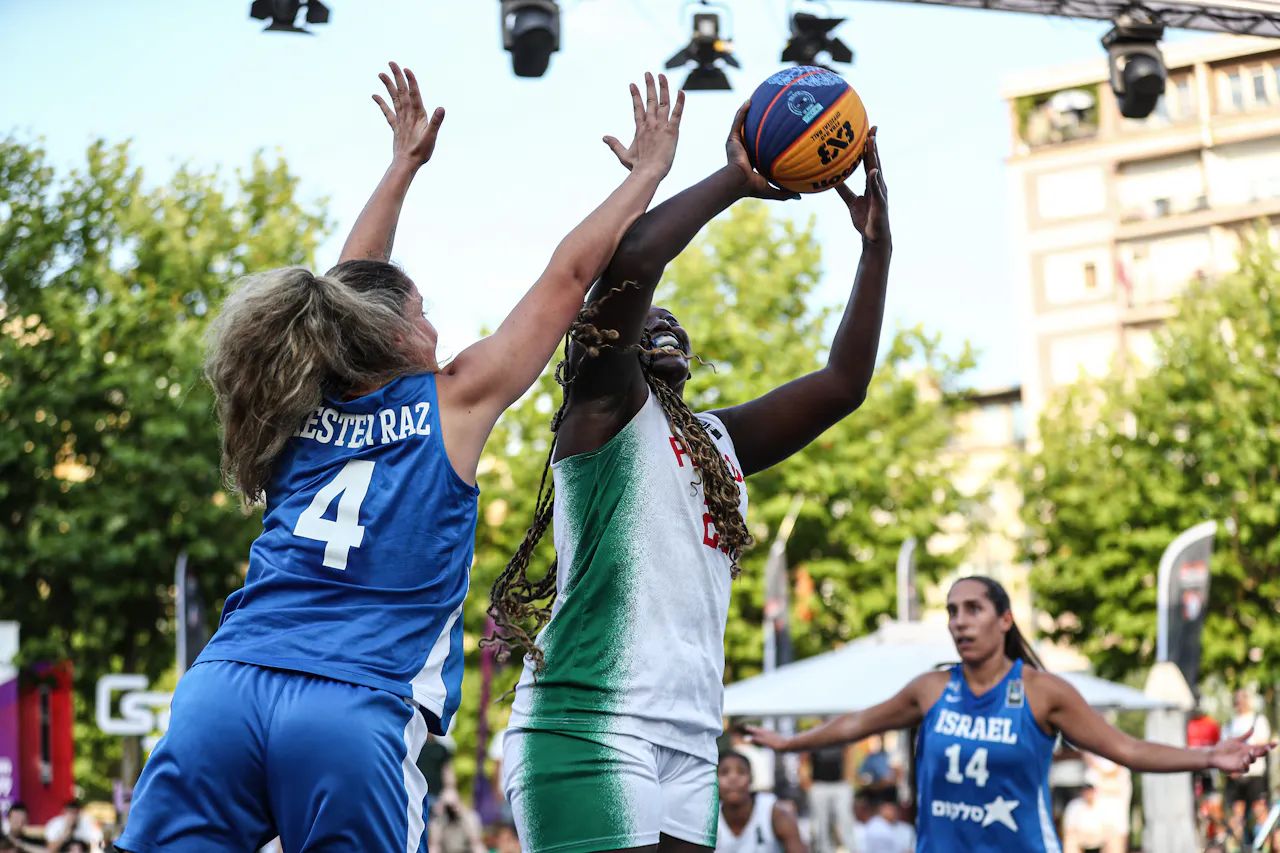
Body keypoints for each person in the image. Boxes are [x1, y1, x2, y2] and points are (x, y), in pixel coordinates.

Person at [115, 63, 683, 852]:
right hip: (350, 707)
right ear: (390, 335)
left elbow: (344, 296)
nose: (435, 327)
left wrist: (400, 169)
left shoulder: (298, 407)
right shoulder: (453, 401)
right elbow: (571, 275)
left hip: (223, 692)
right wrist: (647, 175)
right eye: (423, 312)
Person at [491, 87, 891, 853]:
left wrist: (876, 248)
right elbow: (637, 260)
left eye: (672, 317)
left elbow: (844, 384)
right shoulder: (601, 415)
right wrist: (737, 178)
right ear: (598, 347)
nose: (663, 316)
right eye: (646, 317)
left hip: (690, 736)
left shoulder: (718, 440)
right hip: (587, 725)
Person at [746, 576, 1274, 852]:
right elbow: (856, 723)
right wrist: (791, 743)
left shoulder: (1042, 693)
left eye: (972, 609)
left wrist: (1209, 755)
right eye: (952, 611)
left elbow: (1128, 749)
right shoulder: (931, 690)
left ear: (1004, 620)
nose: (959, 621)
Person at [714, 752, 806, 853]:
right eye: (724, 772)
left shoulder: (776, 812)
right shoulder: (709, 818)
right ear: (714, 780)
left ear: (751, 779)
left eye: (741, 772)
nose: (733, 778)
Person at [1225, 688, 1273, 843]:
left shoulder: (1258, 720)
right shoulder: (1229, 724)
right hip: (1236, 777)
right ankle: (1239, 847)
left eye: (1242, 699)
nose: (1240, 703)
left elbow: (1263, 744)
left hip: (1255, 774)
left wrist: (1244, 749)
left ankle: (1264, 846)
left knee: (1260, 813)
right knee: (1237, 816)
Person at [805, 743, 855, 853]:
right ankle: (823, 850)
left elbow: (848, 754)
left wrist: (849, 778)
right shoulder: (815, 737)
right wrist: (806, 782)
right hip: (819, 784)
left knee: (845, 819)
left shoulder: (840, 736)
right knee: (820, 823)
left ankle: (851, 849)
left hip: (840, 784)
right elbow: (804, 758)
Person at [1061, 783, 1111, 853]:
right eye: (1086, 792)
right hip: (1080, 837)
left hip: (1099, 837)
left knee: (1113, 840)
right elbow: (1069, 828)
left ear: (1094, 792)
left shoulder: (1103, 805)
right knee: (1070, 841)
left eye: (1090, 792)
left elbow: (1109, 827)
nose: (1088, 795)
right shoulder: (1074, 805)